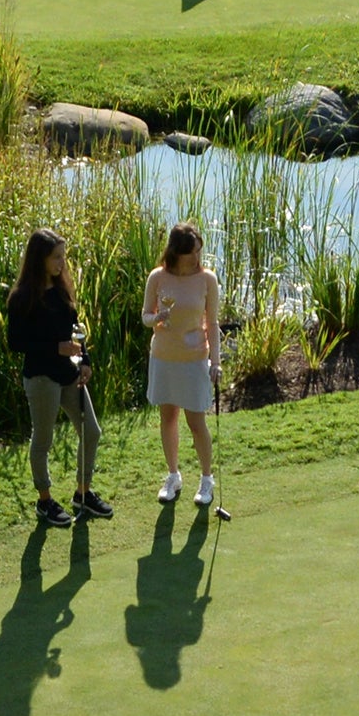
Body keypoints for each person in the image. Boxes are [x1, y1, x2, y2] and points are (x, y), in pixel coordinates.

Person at [6, 227, 107, 531]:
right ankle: (45, 500)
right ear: (40, 259)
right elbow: (15, 343)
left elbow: (75, 329)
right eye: (56, 257)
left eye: (64, 256)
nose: (62, 263)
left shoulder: (62, 289)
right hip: (41, 378)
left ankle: (82, 494)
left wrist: (85, 359)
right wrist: (55, 348)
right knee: (43, 440)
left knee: (91, 432)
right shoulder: (21, 298)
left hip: (69, 374)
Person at [143, 221, 225, 516]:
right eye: (191, 253)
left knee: (196, 420)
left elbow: (212, 324)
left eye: (198, 252)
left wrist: (215, 362)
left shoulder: (207, 279)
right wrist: (157, 318)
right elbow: (145, 316)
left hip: (193, 359)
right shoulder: (158, 277)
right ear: (176, 252)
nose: (196, 258)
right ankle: (173, 476)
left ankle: (206, 479)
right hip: (164, 357)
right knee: (168, 417)